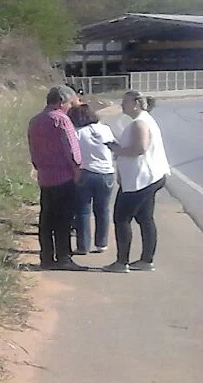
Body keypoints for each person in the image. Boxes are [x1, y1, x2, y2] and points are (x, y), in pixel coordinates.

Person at [103, 90, 171, 273]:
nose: (121, 105)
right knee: (144, 218)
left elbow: (140, 148)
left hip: (140, 179)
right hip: (149, 177)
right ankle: (146, 260)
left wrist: (117, 149)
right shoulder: (144, 120)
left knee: (121, 218)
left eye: (125, 102)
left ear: (136, 103)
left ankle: (121, 262)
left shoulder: (140, 122)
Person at [27, 86, 84, 270]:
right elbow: (72, 149)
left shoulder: (35, 121)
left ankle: (47, 257)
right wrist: (77, 170)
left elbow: (33, 149)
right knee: (64, 219)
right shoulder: (61, 120)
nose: (69, 108)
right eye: (68, 103)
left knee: (47, 219)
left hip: (45, 176)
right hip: (64, 176)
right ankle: (64, 257)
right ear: (60, 102)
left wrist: (38, 166)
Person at [69, 103, 116, 255]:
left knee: (83, 210)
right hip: (106, 173)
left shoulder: (77, 133)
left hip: (86, 171)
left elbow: (73, 154)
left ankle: (83, 246)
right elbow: (114, 147)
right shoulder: (105, 129)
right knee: (102, 209)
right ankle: (101, 243)